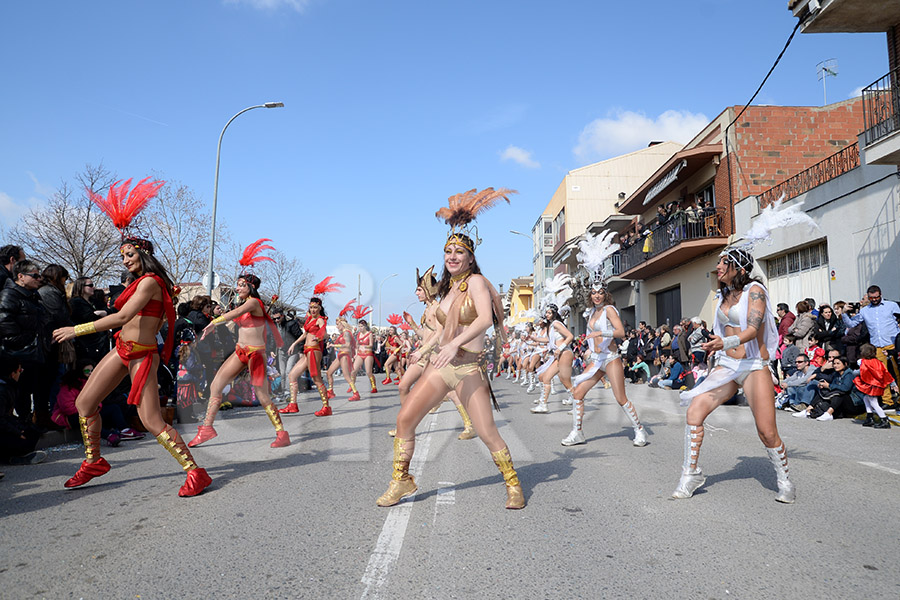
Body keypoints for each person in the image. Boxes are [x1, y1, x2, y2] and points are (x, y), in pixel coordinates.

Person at [53, 177, 211, 496]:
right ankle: (94, 461)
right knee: (85, 402)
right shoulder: (136, 283)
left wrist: (76, 329)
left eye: (129, 254)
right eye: (123, 256)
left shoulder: (150, 281)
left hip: (142, 356)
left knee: (152, 421)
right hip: (123, 349)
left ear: (143, 253)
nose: (125, 260)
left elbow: (124, 317)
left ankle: (195, 472)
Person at [377, 186, 525, 509]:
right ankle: (401, 480)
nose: (453, 257)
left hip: (469, 367)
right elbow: (442, 330)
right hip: (441, 366)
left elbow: (485, 318)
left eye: (459, 253)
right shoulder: (446, 290)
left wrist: (454, 342)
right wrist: (426, 349)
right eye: (448, 253)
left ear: (471, 257)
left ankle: (513, 483)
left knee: (487, 433)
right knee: (405, 419)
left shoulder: (476, 283)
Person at [673, 245, 793, 503]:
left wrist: (724, 343)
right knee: (694, 413)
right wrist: (713, 344)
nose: (718, 267)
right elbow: (725, 330)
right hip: (726, 365)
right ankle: (690, 474)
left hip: (752, 365)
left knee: (767, 432)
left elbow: (752, 330)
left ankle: (784, 480)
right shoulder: (724, 295)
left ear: (738, 268)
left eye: (723, 263)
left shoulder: (756, 292)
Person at [189, 239, 288, 448]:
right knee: (216, 385)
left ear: (251, 287)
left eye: (242, 284)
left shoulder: (254, 303)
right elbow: (235, 316)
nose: (238, 287)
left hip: (255, 354)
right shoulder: (244, 302)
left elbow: (236, 313)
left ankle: (281, 433)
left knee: (262, 395)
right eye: (238, 284)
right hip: (240, 351)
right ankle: (207, 428)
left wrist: (214, 322)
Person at [562, 231, 648, 448]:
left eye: (600, 292)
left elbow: (621, 333)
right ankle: (577, 432)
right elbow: (591, 336)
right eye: (593, 293)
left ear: (605, 293)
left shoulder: (610, 309)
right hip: (597, 359)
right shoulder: (590, 313)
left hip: (611, 358)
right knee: (578, 392)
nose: (597, 296)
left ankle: (640, 430)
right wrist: (589, 347)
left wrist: (601, 334)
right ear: (589, 294)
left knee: (620, 398)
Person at [280, 280, 341, 416]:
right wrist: (294, 344)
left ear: (319, 308)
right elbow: (305, 334)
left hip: (314, 350)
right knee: (292, 375)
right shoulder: (309, 319)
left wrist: (318, 337)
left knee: (316, 378)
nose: (312, 310)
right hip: (306, 350)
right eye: (311, 307)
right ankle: (293, 404)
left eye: (315, 308)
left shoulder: (320, 320)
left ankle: (326, 407)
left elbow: (325, 334)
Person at [0, 259, 47, 424]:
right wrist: (29, 343)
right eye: (34, 275)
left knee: (33, 392)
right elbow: (6, 329)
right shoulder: (9, 295)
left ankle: (30, 426)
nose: (38, 278)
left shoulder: (33, 296)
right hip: (18, 355)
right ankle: (20, 429)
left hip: (33, 354)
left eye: (39, 275)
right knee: (20, 395)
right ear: (20, 276)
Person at [842, 285, 900, 407]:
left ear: (881, 295)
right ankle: (887, 401)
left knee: (897, 373)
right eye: (871, 297)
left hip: (893, 344)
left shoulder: (892, 306)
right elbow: (851, 323)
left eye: (876, 297)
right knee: (881, 375)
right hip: (877, 346)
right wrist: (844, 312)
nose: (874, 299)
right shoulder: (865, 311)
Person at [531, 303, 576, 414]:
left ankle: (578, 404)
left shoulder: (556, 323)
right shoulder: (551, 327)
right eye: (546, 312)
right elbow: (549, 341)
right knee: (545, 377)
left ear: (554, 313)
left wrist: (560, 348)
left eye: (549, 312)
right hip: (559, 355)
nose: (547, 315)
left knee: (566, 381)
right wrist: (535, 339)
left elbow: (570, 336)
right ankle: (543, 405)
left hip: (565, 353)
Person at [0, 358, 46, 465]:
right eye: (20, 371)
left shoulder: (9, 386)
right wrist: (16, 431)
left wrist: (19, 427)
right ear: (13, 374)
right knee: (23, 440)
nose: (20, 374)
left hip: (5, 425)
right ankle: (9, 458)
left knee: (32, 431)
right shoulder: (2, 391)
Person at [854, 343, 898, 428]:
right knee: (866, 398)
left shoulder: (864, 362)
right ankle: (869, 417)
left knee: (874, 403)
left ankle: (884, 419)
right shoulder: (878, 362)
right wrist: (892, 383)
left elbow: (862, 371)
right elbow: (885, 372)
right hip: (877, 385)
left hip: (871, 384)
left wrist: (854, 372)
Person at [69, 277, 109, 363]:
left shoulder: (94, 301)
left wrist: (102, 312)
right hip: (85, 342)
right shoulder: (76, 302)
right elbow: (88, 318)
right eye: (90, 285)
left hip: (101, 342)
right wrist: (98, 314)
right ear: (81, 287)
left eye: (93, 285)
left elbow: (108, 312)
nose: (93, 287)